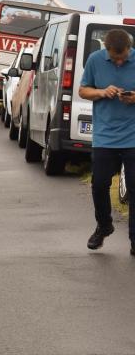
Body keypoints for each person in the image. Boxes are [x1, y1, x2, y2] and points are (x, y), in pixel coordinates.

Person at [78, 29, 135, 254]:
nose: (120, 61)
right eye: (115, 57)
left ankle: (134, 239)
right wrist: (102, 92)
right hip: (105, 137)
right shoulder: (95, 60)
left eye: (123, 57)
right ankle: (104, 226)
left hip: (132, 137)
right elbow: (83, 91)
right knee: (99, 184)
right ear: (106, 49)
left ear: (129, 48)